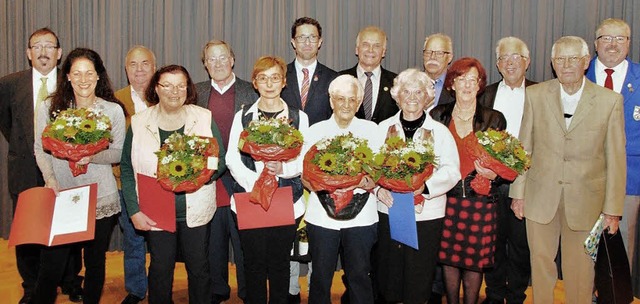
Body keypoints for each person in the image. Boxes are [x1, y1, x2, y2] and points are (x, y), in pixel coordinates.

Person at [509, 36, 626, 303]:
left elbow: (616, 159)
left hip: (587, 201)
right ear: (552, 63)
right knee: (540, 269)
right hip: (540, 198)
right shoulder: (536, 95)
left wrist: (613, 210)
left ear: (586, 62)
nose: (567, 64)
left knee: (581, 273)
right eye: (561, 59)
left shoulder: (610, 101)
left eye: (574, 58)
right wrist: (518, 193)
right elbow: (524, 147)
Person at [120, 64, 226, 304]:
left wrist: (201, 178)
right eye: (167, 85)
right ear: (156, 88)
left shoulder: (202, 117)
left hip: (196, 208)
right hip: (155, 211)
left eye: (180, 85)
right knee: (160, 269)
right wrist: (134, 210)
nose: (174, 91)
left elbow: (218, 160)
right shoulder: (139, 122)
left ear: (188, 89)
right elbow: (127, 167)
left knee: (199, 268)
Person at [32, 47, 125, 304]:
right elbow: (40, 148)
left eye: (89, 73)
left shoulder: (113, 111)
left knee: (95, 264)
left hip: (100, 195)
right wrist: (50, 178)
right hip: (63, 194)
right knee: (52, 265)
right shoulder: (51, 108)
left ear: (98, 77)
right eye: (77, 73)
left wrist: (91, 156)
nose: (83, 79)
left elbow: (118, 153)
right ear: (68, 77)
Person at [0, 28, 85, 304]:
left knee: (67, 226)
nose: (43, 51)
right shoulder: (10, 84)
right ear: (28, 53)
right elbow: (7, 123)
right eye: (37, 46)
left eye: (49, 46)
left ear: (59, 53)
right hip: (25, 167)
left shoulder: (73, 84)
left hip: (64, 168)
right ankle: (31, 285)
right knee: (27, 230)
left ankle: (71, 279)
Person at [226, 56, 309, 304]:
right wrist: (257, 183)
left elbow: (304, 159)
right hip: (249, 199)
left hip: (286, 201)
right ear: (254, 83)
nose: (269, 84)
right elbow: (232, 157)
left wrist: (282, 168)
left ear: (284, 82)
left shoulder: (298, 117)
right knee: (253, 263)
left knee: (280, 263)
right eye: (263, 78)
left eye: (275, 78)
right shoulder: (243, 117)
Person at [375, 68, 460, 304]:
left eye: (418, 92)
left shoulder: (440, 132)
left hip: (426, 216)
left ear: (427, 97)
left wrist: (426, 187)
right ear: (397, 96)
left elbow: (452, 171)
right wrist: (378, 189)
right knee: (391, 273)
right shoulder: (382, 129)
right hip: (390, 210)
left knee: (419, 274)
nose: (412, 97)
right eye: (406, 91)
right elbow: (370, 168)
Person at [430, 57, 506, 304]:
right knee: (449, 261)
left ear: (480, 84)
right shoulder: (438, 115)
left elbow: (505, 160)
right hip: (446, 200)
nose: (466, 85)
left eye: (472, 80)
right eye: (461, 79)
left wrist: (496, 174)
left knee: (474, 265)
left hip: (480, 202)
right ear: (451, 83)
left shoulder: (494, 118)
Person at [302, 74, 381, 304]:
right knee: (321, 277)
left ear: (358, 103)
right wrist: (326, 185)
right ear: (331, 101)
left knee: (359, 276)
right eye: (340, 99)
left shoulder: (372, 130)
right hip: (322, 217)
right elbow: (305, 176)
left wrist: (362, 182)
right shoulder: (315, 131)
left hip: (361, 219)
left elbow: (377, 173)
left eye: (352, 100)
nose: (346, 105)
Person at [195, 39, 256, 304]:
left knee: (245, 242)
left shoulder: (251, 92)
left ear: (232, 59)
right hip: (210, 181)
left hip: (243, 177)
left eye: (223, 58)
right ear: (205, 64)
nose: (218, 63)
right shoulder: (195, 93)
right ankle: (218, 289)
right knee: (215, 241)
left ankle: (248, 291)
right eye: (212, 59)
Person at [477, 37, 536, 304]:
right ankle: (494, 292)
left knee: (522, 245)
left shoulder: (541, 92)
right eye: (504, 59)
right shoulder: (485, 94)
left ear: (527, 62)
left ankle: (516, 295)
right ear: (498, 65)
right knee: (493, 242)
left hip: (528, 181)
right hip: (490, 182)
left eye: (516, 58)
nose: (510, 63)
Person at [586, 18, 640, 274]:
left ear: (629, 44)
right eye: (606, 38)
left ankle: (613, 296)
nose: (613, 44)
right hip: (582, 178)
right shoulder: (577, 76)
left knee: (620, 242)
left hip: (629, 178)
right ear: (596, 44)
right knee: (580, 242)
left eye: (620, 38)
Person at [114, 45, 156, 304]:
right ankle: (136, 289)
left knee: (162, 244)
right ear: (126, 69)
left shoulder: (166, 95)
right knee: (132, 240)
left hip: (159, 182)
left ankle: (160, 287)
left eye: (145, 64)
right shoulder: (114, 100)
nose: (139, 70)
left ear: (154, 67)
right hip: (125, 183)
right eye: (133, 64)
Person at [281, 16, 338, 126]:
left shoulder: (333, 78)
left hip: (321, 140)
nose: (307, 43)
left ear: (320, 42)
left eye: (312, 37)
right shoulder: (281, 75)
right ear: (293, 42)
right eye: (302, 37)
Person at [340, 26, 398, 124]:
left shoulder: (396, 82)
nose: (370, 50)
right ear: (357, 50)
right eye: (365, 45)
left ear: (383, 52)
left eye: (377, 46)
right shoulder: (341, 79)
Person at [423, 33, 455, 109]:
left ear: (449, 58)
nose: (432, 57)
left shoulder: (456, 86)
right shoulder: (411, 83)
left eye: (439, 53)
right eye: (428, 52)